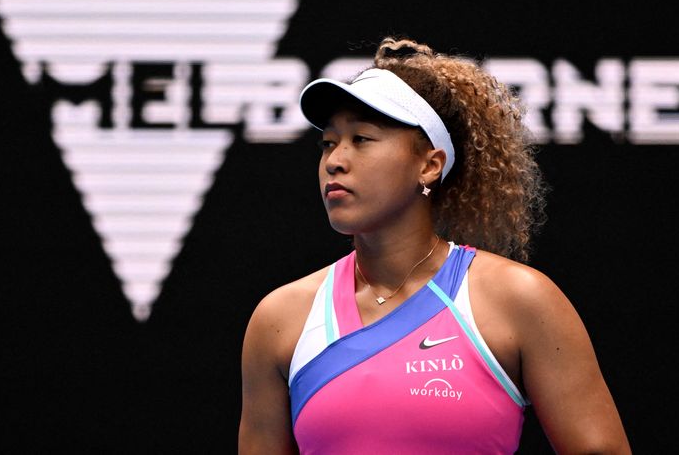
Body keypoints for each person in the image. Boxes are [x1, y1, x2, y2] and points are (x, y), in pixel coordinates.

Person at [239, 37, 630, 454]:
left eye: (362, 139)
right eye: (329, 143)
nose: (335, 160)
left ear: (429, 166)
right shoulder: (279, 319)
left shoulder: (519, 299)